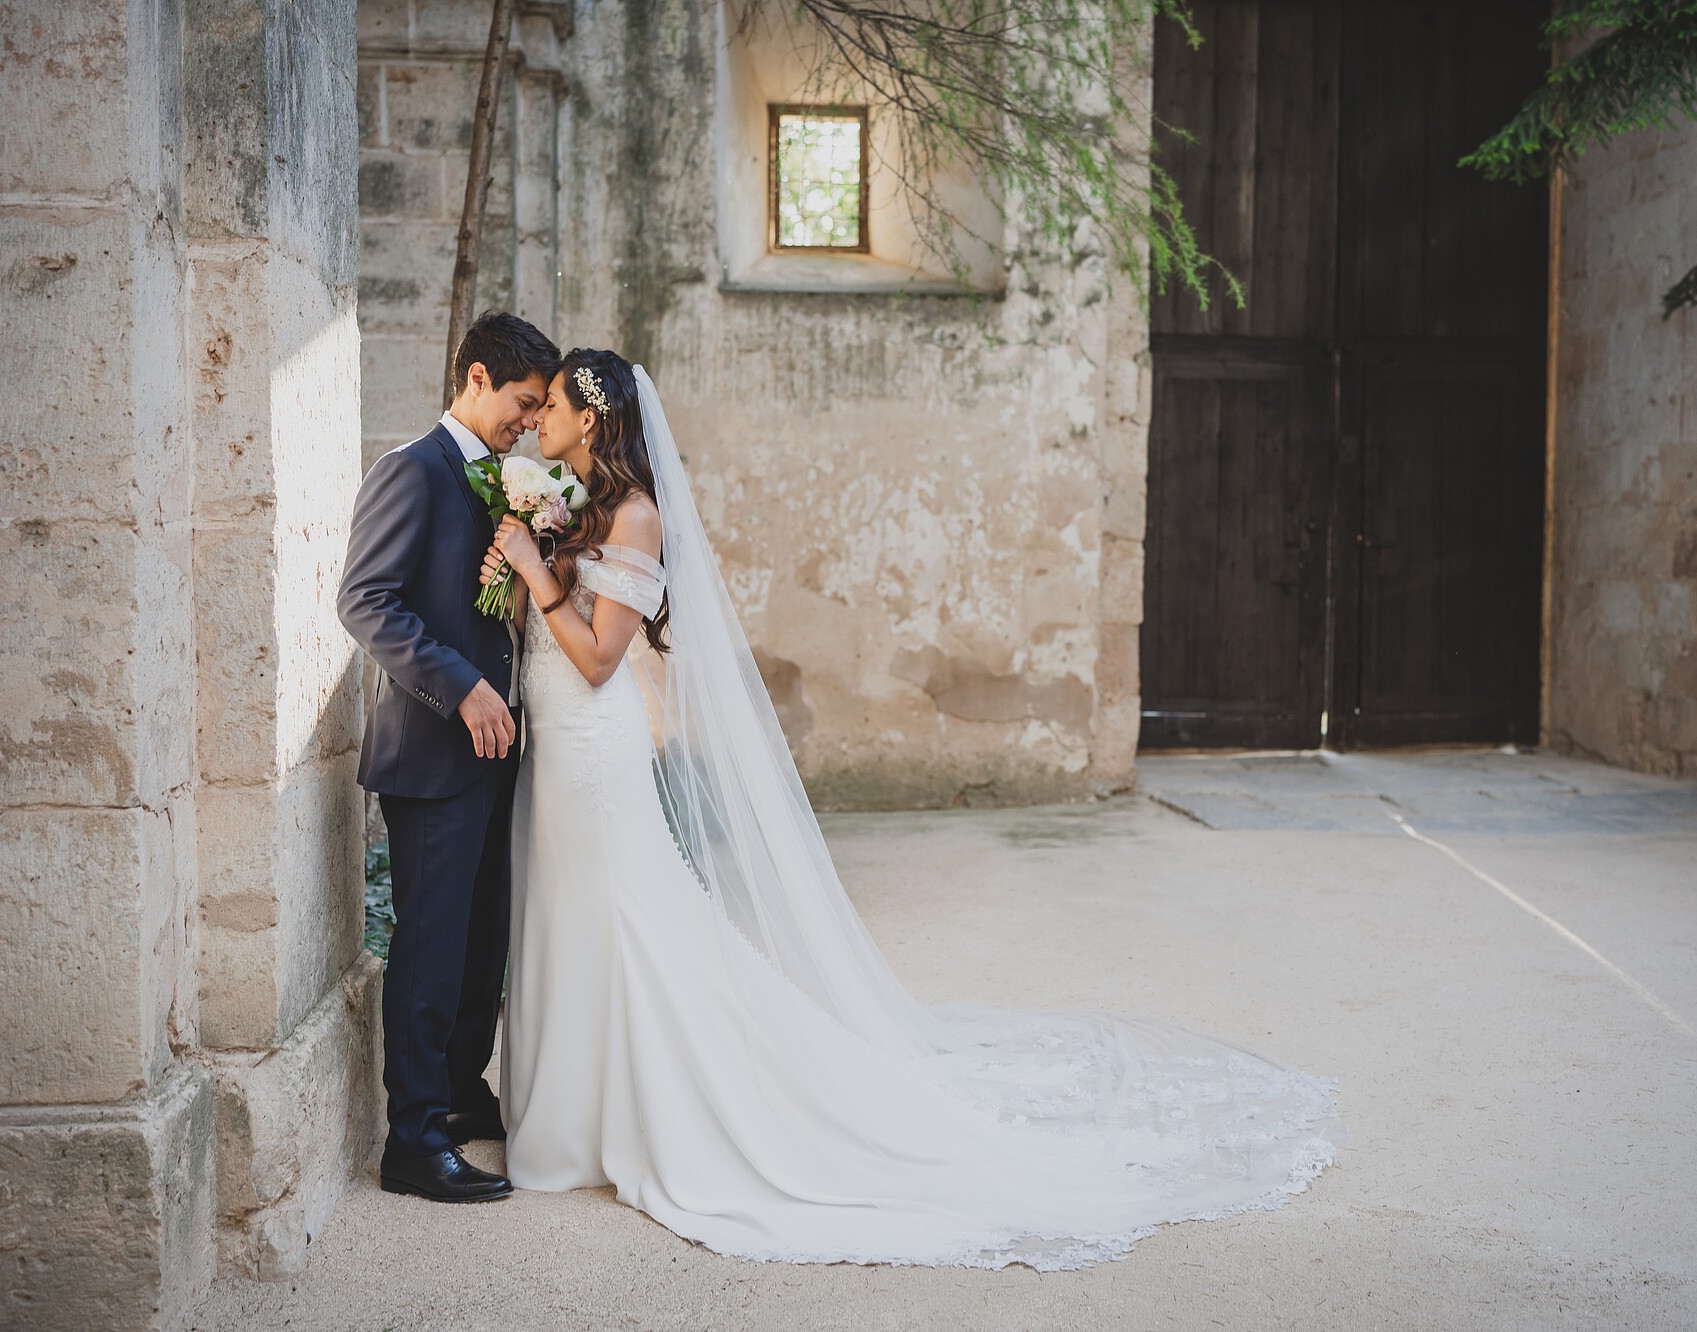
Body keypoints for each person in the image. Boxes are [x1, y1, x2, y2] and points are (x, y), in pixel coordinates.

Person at [483, 347, 1340, 1268]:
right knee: (565, 915)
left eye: (558, 405)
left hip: (594, 751)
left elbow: (602, 658)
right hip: (557, 756)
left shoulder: (637, 515)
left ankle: (652, 1111)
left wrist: (534, 571)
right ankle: (568, 1120)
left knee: (628, 922)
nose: (542, 419)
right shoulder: (574, 504)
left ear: (596, 419)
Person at [337, 310, 562, 1203]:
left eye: (540, 406)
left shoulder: (503, 479)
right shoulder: (410, 471)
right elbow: (366, 602)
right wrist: (461, 683)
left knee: (481, 940)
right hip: (433, 746)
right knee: (430, 944)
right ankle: (413, 1141)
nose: (529, 420)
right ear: (474, 379)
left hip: (498, 746)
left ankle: (463, 1094)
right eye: (521, 401)